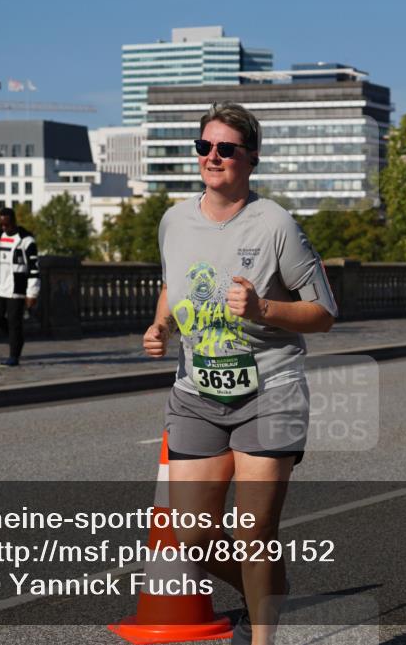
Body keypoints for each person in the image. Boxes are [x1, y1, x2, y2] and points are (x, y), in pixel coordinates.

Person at [143, 102, 337, 645]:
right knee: (193, 535)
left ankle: (262, 628)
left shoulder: (276, 224)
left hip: (268, 390)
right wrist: (160, 327)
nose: (212, 157)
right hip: (196, 392)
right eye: (204, 147)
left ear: (251, 158)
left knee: (255, 536)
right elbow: (172, 285)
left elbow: (324, 313)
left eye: (225, 148)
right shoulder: (173, 221)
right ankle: (266, 589)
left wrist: (263, 311)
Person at [0, 207, 39, 367]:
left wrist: (32, 292)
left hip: (17, 288)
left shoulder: (27, 241)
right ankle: (16, 337)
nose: (3, 228)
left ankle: (14, 356)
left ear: (13, 222)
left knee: (15, 322)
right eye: (1, 225)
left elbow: (34, 268)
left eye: (6, 225)